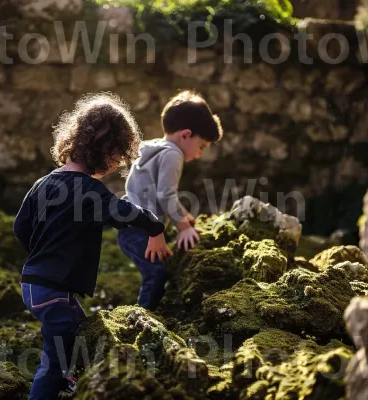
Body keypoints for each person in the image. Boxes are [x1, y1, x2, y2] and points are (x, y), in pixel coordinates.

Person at [13, 93, 173, 400]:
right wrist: (156, 228)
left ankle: (71, 383)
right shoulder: (89, 191)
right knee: (55, 359)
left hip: (34, 283)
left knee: (81, 328)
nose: (116, 164)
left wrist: (44, 252)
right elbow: (125, 213)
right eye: (117, 156)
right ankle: (49, 389)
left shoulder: (42, 183)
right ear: (105, 150)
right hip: (53, 289)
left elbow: (21, 228)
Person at [118, 90, 224, 310]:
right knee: (156, 273)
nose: (200, 154)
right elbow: (166, 194)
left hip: (131, 226)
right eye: (202, 146)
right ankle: (144, 317)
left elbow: (155, 191)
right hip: (139, 229)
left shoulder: (154, 147)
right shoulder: (173, 154)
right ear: (185, 135)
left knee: (158, 270)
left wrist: (182, 214)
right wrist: (183, 227)